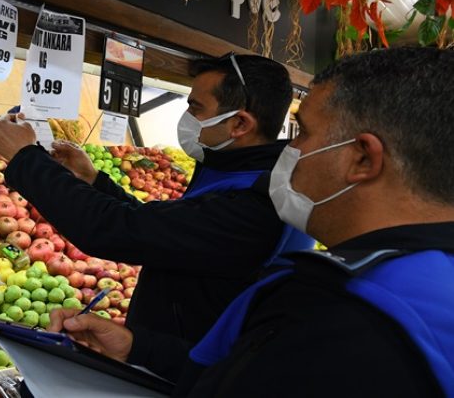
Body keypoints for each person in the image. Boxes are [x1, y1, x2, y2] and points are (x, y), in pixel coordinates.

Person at [47, 46, 454, 397]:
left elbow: (125, 228)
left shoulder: (348, 320)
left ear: (363, 158)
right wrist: (137, 349)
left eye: (303, 133)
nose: (290, 150)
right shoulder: (408, 282)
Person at [0, 54, 313, 344]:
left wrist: (25, 158)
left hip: (188, 377)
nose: (187, 116)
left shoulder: (259, 203)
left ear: (240, 123)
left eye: (196, 108)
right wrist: (94, 180)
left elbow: (117, 230)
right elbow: (163, 227)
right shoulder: (235, 172)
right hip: (163, 358)